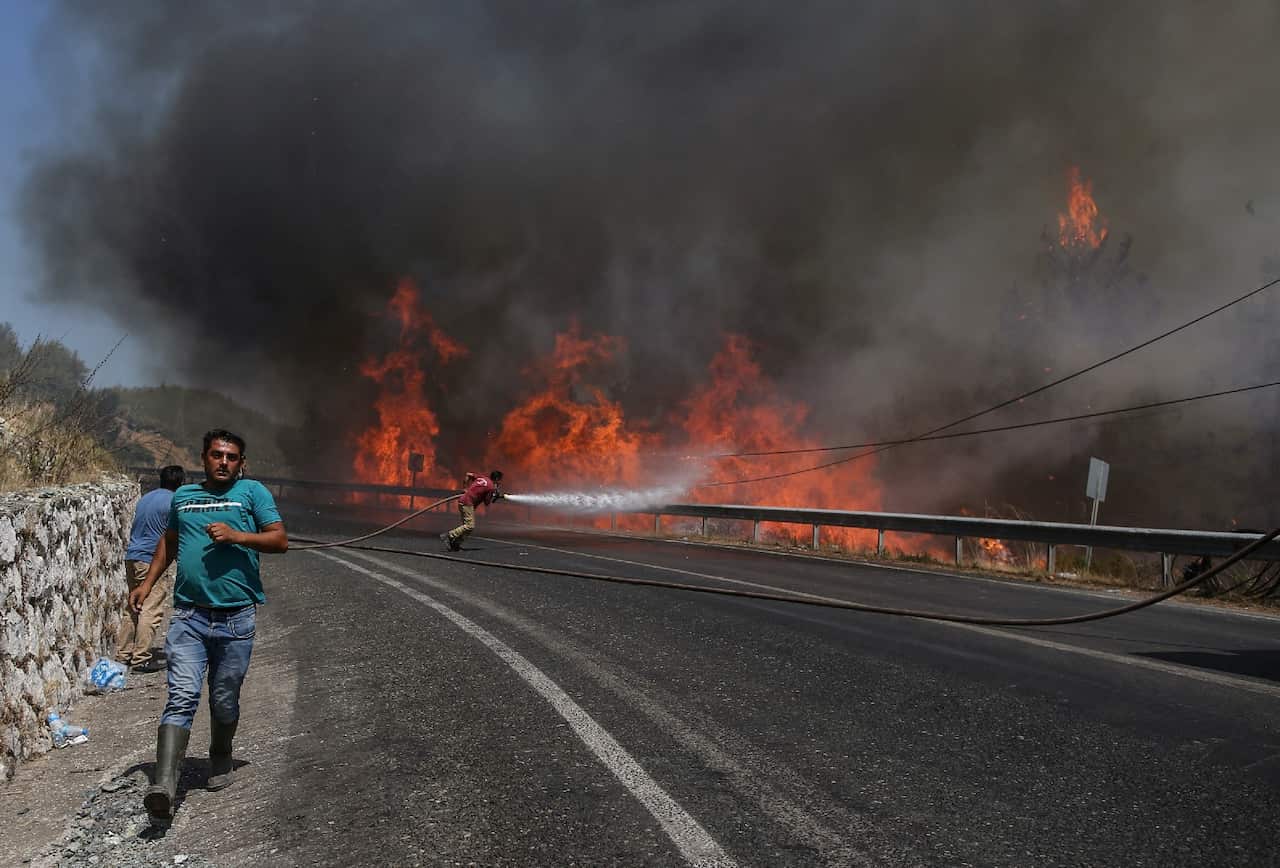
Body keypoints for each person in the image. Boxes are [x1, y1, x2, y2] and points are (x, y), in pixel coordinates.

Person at [128, 429, 288, 824]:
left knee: (224, 698)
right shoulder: (183, 497)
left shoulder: (253, 494)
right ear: (203, 458)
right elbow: (170, 540)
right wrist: (147, 584)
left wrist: (238, 536)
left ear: (241, 463)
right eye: (217, 455)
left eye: (232, 457)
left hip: (236, 619)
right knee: (181, 695)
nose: (223, 462)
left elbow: (279, 540)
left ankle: (220, 756)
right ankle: (163, 785)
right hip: (189, 617)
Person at [118, 464, 185, 673]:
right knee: (151, 608)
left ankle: (123, 655)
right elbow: (174, 536)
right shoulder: (174, 502)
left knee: (133, 607)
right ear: (181, 483)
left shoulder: (146, 498)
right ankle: (141, 659)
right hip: (150, 559)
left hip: (132, 556)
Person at [441, 469, 503, 551]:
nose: (500, 482)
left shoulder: (483, 478)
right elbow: (487, 503)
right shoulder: (491, 487)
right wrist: (494, 495)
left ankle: (455, 544)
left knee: (468, 527)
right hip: (467, 503)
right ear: (497, 479)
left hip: (463, 501)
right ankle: (449, 536)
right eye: (500, 480)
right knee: (470, 526)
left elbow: (468, 474)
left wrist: (464, 488)